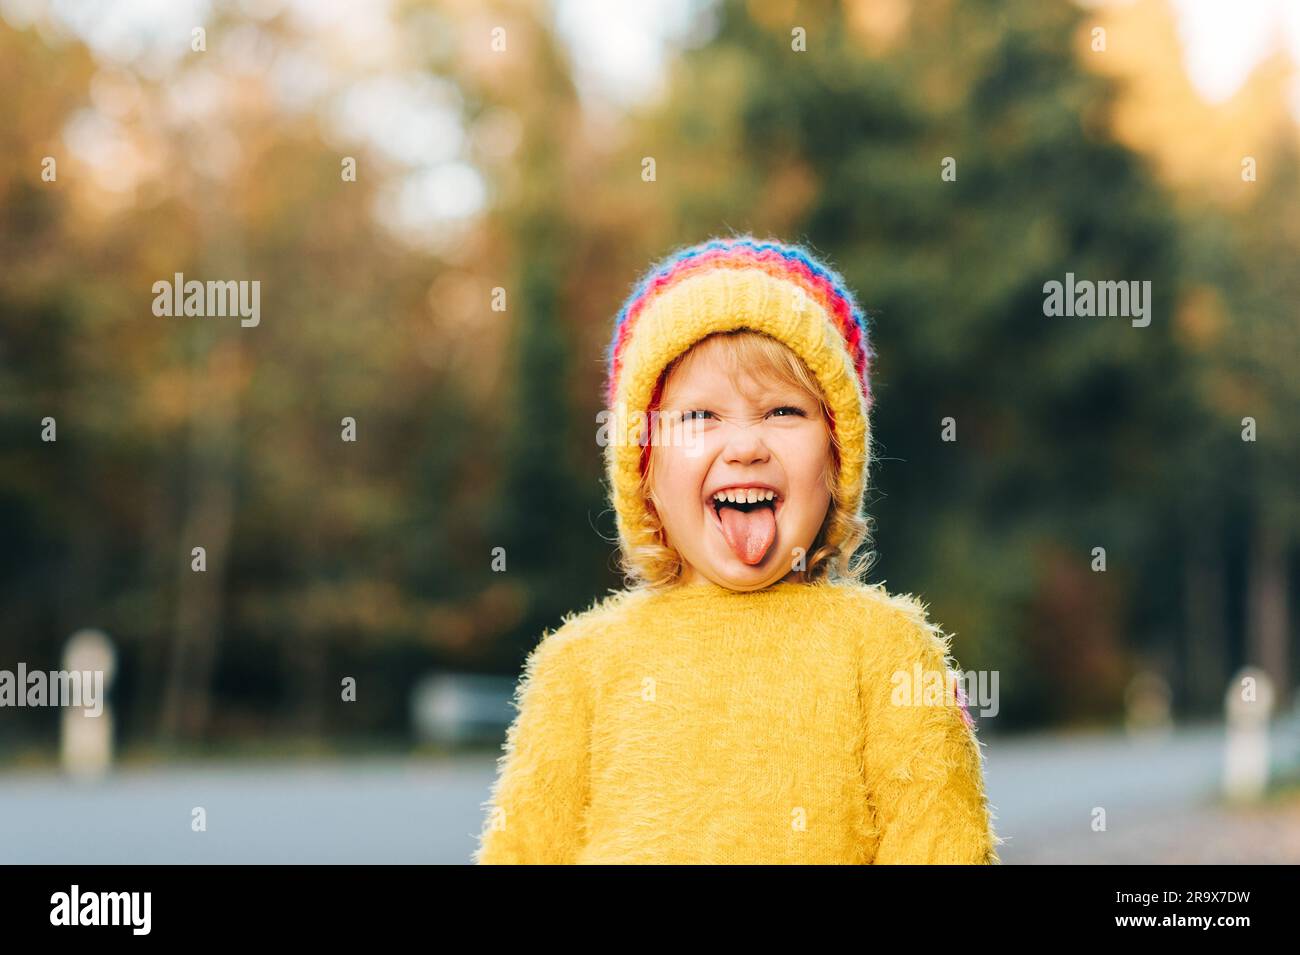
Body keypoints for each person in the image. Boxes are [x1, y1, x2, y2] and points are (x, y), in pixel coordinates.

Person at [474, 235, 1002, 864]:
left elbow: (944, 848)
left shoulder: (886, 653)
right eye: (699, 417)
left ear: (836, 461)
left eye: (783, 410)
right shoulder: (577, 670)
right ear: (643, 470)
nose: (745, 446)